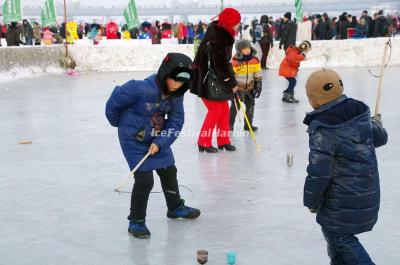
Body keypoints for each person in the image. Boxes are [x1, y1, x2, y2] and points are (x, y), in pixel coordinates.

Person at [105, 53, 200, 239]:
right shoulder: (138, 89)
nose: (177, 85)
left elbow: (176, 121)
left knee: (169, 170)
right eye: (175, 80)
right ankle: (136, 221)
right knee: (145, 180)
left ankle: (175, 207)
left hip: (157, 137)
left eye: (182, 83)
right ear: (165, 73)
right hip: (133, 139)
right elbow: (113, 103)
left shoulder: (176, 95)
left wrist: (160, 142)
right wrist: (122, 125)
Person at [303, 68, 388, 265]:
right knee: (335, 238)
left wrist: (312, 201)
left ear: (314, 99)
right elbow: (380, 138)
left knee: (340, 238)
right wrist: (375, 123)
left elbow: (318, 172)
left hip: (340, 199)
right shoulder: (359, 112)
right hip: (366, 191)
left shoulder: (323, 128)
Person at [191, 8, 241, 153]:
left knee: (224, 109)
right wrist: (231, 83)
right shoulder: (219, 39)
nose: (239, 25)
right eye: (237, 22)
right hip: (207, 80)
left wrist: (230, 79)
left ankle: (223, 140)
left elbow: (224, 63)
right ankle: (203, 142)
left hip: (214, 80)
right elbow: (220, 66)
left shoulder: (220, 33)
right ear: (231, 23)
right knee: (215, 111)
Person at [229, 40, 262, 132]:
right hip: (238, 88)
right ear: (240, 50)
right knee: (236, 107)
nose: (247, 50)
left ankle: (248, 125)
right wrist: (233, 86)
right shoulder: (235, 61)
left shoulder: (255, 60)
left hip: (250, 88)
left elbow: (257, 73)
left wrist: (258, 86)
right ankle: (230, 124)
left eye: (248, 48)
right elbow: (232, 75)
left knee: (250, 106)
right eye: (244, 49)